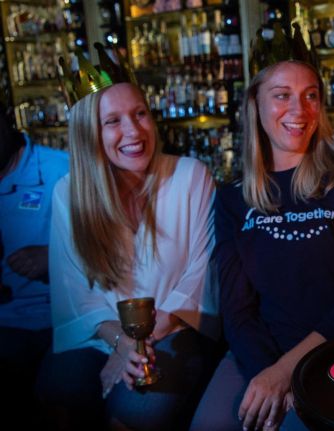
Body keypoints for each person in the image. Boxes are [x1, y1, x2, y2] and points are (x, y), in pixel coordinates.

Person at [191, 26, 334, 431]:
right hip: (257, 354)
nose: (299, 110)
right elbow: (238, 310)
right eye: (282, 95)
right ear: (255, 104)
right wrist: (268, 373)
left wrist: (287, 372)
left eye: (310, 95)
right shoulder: (232, 198)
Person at [36, 45, 220, 430]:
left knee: (133, 416)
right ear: (89, 133)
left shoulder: (191, 176)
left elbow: (199, 278)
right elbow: (74, 295)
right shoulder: (68, 193)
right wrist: (121, 342)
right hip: (99, 334)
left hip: (175, 329)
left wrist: (140, 344)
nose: (134, 132)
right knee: (57, 400)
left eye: (140, 115)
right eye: (113, 121)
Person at [0, 102, 68, 427]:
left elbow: (115, 245)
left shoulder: (62, 170)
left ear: (9, 119)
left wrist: (53, 255)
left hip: (59, 321)